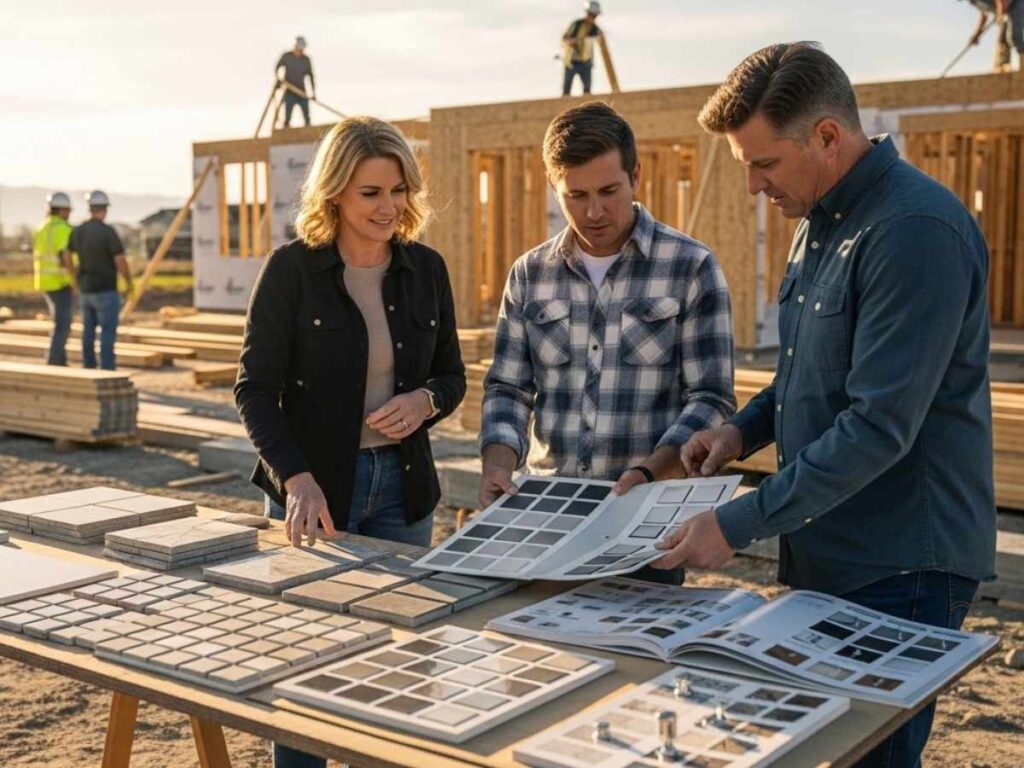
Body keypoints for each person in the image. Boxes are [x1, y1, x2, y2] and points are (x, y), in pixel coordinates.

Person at [654, 42, 997, 767]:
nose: (751, 185)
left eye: (764, 163)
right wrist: (739, 432)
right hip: (834, 546)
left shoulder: (913, 232)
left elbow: (878, 425)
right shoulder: (818, 221)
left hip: (902, 564)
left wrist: (738, 521)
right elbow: (808, 372)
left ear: (829, 137)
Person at [235, 116, 465, 768]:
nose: (388, 206)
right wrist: (294, 480)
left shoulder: (426, 269)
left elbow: (451, 376)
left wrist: (427, 401)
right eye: (370, 192)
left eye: (397, 189)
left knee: (396, 673)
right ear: (334, 192)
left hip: (403, 492)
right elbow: (254, 389)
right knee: (308, 665)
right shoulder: (292, 271)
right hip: (314, 496)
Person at [479, 101, 736, 586]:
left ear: (635, 175)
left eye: (608, 191)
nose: (593, 211)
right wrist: (498, 461)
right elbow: (508, 388)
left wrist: (649, 471)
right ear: (555, 187)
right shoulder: (529, 275)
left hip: (643, 523)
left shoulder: (691, 267)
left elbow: (712, 399)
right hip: (545, 516)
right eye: (575, 196)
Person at [69, 190, 132, 370]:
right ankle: (107, 369)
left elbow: (66, 255)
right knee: (107, 331)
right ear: (104, 209)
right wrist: (128, 281)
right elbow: (120, 260)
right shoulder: (107, 232)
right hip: (106, 289)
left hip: (86, 289)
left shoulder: (78, 231)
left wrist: (74, 278)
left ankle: (89, 368)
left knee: (88, 332)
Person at [32, 191, 76, 366]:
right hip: (60, 283)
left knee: (60, 323)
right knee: (63, 326)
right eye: (68, 210)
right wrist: (74, 280)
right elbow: (65, 256)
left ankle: (60, 362)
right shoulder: (62, 228)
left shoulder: (42, 227)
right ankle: (54, 363)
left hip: (45, 283)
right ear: (62, 210)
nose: (69, 214)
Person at [965, 0, 1024, 70]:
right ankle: (1004, 64)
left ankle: (1022, 64)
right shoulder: (975, 2)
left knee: (1015, 37)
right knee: (1004, 39)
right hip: (1007, 12)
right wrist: (977, 34)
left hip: (1015, 4)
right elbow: (984, 15)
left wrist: (1000, 12)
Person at [561, 1, 603, 95]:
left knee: (587, 90)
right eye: (591, 14)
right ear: (587, 13)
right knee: (566, 90)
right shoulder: (576, 25)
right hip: (572, 62)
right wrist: (571, 41)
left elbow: (600, 42)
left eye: (595, 15)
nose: (593, 18)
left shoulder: (595, 29)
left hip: (586, 63)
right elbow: (564, 39)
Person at [276, 36, 316, 127]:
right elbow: (277, 67)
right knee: (288, 116)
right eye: (299, 49)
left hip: (302, 92)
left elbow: (311, 76)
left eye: (302, 49)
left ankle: (308, 131)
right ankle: (286, 131)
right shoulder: (287, 56)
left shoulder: (306, 60)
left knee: (307, 117)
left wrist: (313, 93)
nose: (301, 51)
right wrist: (278, 80)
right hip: (290, 91)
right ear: (295, 47)